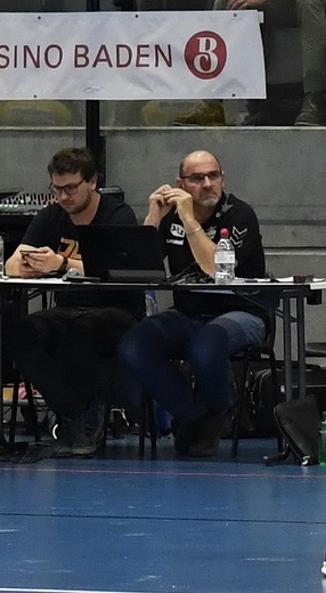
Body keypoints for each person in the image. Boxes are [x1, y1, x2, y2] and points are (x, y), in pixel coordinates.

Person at [117, 150, 268, 459]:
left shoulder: (239, 214)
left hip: (242, 312)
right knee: (135, 343)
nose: (207, 184)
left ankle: (217, 411)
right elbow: (141, 267)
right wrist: (154, 219)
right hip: (187, 312)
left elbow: (216, 268)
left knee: (206, 344)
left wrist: (187, 219)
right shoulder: (171, 217)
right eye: (197, 179)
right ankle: (199, 417)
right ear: (181, 184)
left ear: (223, 179)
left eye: (213, 176)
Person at [2, 146, 140, 459]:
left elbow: (118, 270)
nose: (63, 197)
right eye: (57, 189)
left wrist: (62, 265)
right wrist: (26, 265)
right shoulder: (51, 216)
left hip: (115, 309)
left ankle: (85, 417)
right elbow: (12, 263)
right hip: (66, 308)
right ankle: (76, 413)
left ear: (92, 182)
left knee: (81, 331)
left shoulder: (118, 215)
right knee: (21, 333)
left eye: (70, 189)